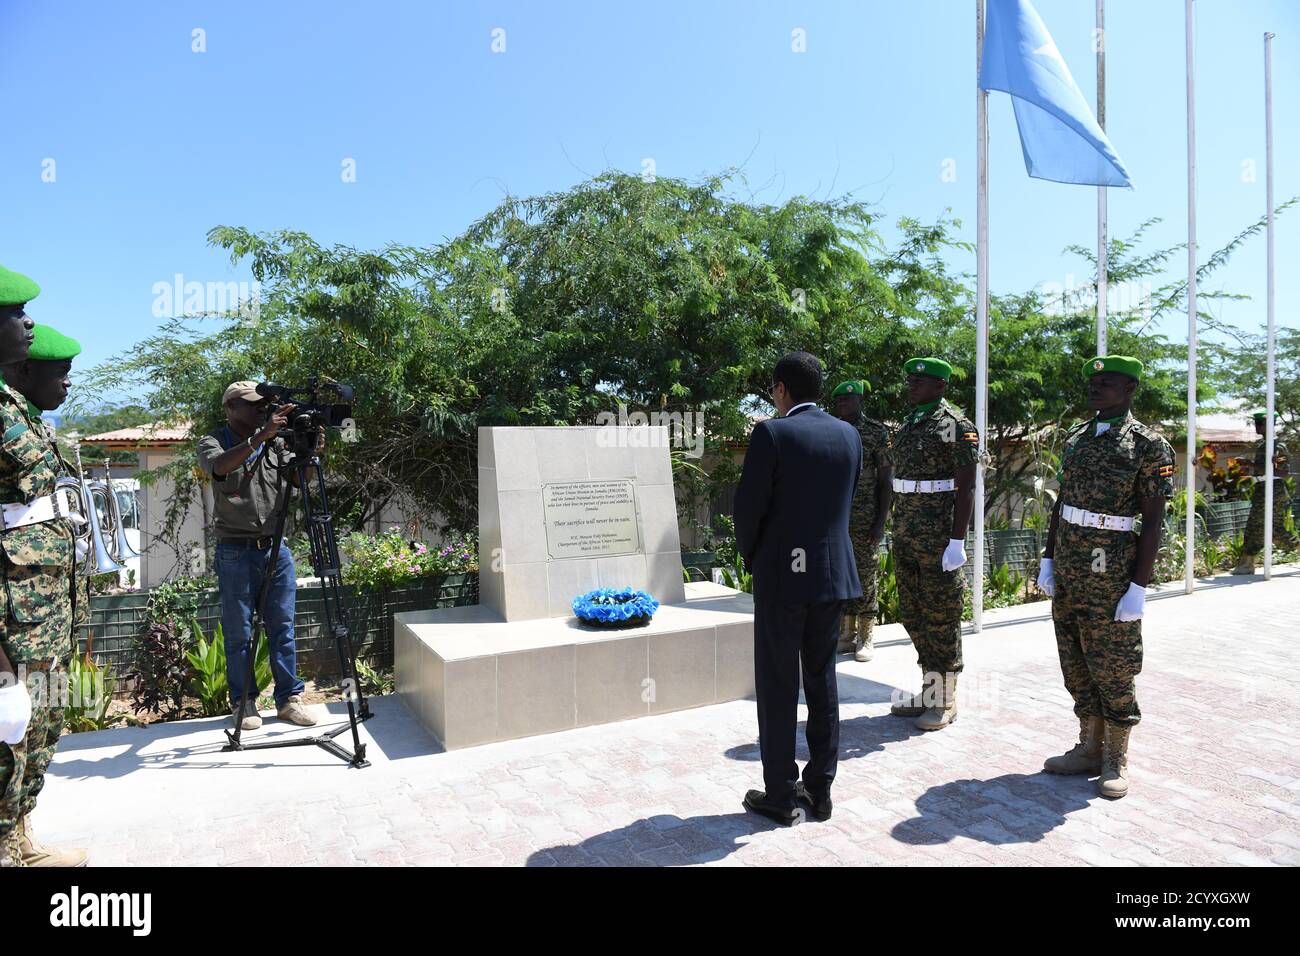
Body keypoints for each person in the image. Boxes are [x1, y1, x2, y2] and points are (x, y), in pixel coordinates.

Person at [733, 352, 862, 826]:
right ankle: (820, 791)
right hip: (831, 577)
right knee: (822, 680)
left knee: (778, 684)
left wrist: (754, 560)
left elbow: (748, 511)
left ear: (781, 389)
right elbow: (841, 505)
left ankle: (782, 795)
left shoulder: (772, 432)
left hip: (784, 579)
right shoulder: (850, 434)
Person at [1037, 356, 1173, 799]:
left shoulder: (1149, 445)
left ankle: (1116, 756)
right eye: (1093, 383)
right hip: (1072, 565)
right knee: (1074, 659)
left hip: (1110, 569)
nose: (1096, 389)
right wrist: (1049, 557)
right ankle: (1089, 746)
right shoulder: (1078, 437)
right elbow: (1063, 504)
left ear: (1130, 389)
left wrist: (1139, 587)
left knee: (1112, 664)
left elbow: (1152, 522)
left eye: (1107, 383)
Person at [0, 268, 86, 868]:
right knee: (9, 730)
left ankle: (18, 836)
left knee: (40, 722)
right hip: (13, 614)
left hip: (43, 605)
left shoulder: (14, 409)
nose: (28, 321)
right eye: (15, 311)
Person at [196, 381, 319, 731]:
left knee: (283, 626)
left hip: (275, 547)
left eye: (265, 405)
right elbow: (219, 467)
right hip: (236, 549)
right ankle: (244, 702)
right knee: (239, 632)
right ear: (231, 407)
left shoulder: (277, 440)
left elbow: (299, 480)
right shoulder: (214, 441)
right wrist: (260, 437)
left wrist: (309, 454)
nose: (262, 410)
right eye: (253, 405)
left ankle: (289, 700)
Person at [887, 358, 978, 731]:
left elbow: (967, 486)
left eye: (920, 381)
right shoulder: (907, 426)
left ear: (940, 386)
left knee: (941, 616)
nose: (912, 385)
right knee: (912, 613)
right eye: (910, 379)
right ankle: (929, 688)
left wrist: (958, 539)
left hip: (939, 536)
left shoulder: (956, 426)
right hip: (907, 532)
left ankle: (945, 699)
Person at [830, 379, 892, 662]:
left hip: (865, 516)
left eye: (849, 399)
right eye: (840, 400)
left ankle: (866, 635)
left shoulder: (877, 432)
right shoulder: (830, 430)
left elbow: (885, 481)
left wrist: (880, 522)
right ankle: (846, 632)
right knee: (840, 572)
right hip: (836, 515)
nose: (844, 404)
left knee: (865, 574)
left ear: (860, 401)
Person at [1232, 410, 1295, 574]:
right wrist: (1248, 467)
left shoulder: (1278, 446)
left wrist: (1251, 464)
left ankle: (1247, 563)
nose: (1256, 426)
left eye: (1260, 423)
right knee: (1254, 527)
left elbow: (1282, 472)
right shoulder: (1262, 445)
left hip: (1274, 492)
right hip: (1262, 491)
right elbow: (1262, 470)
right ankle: (1246, 563)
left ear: (1270, 424)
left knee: (1273, 530)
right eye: (1256, 423)